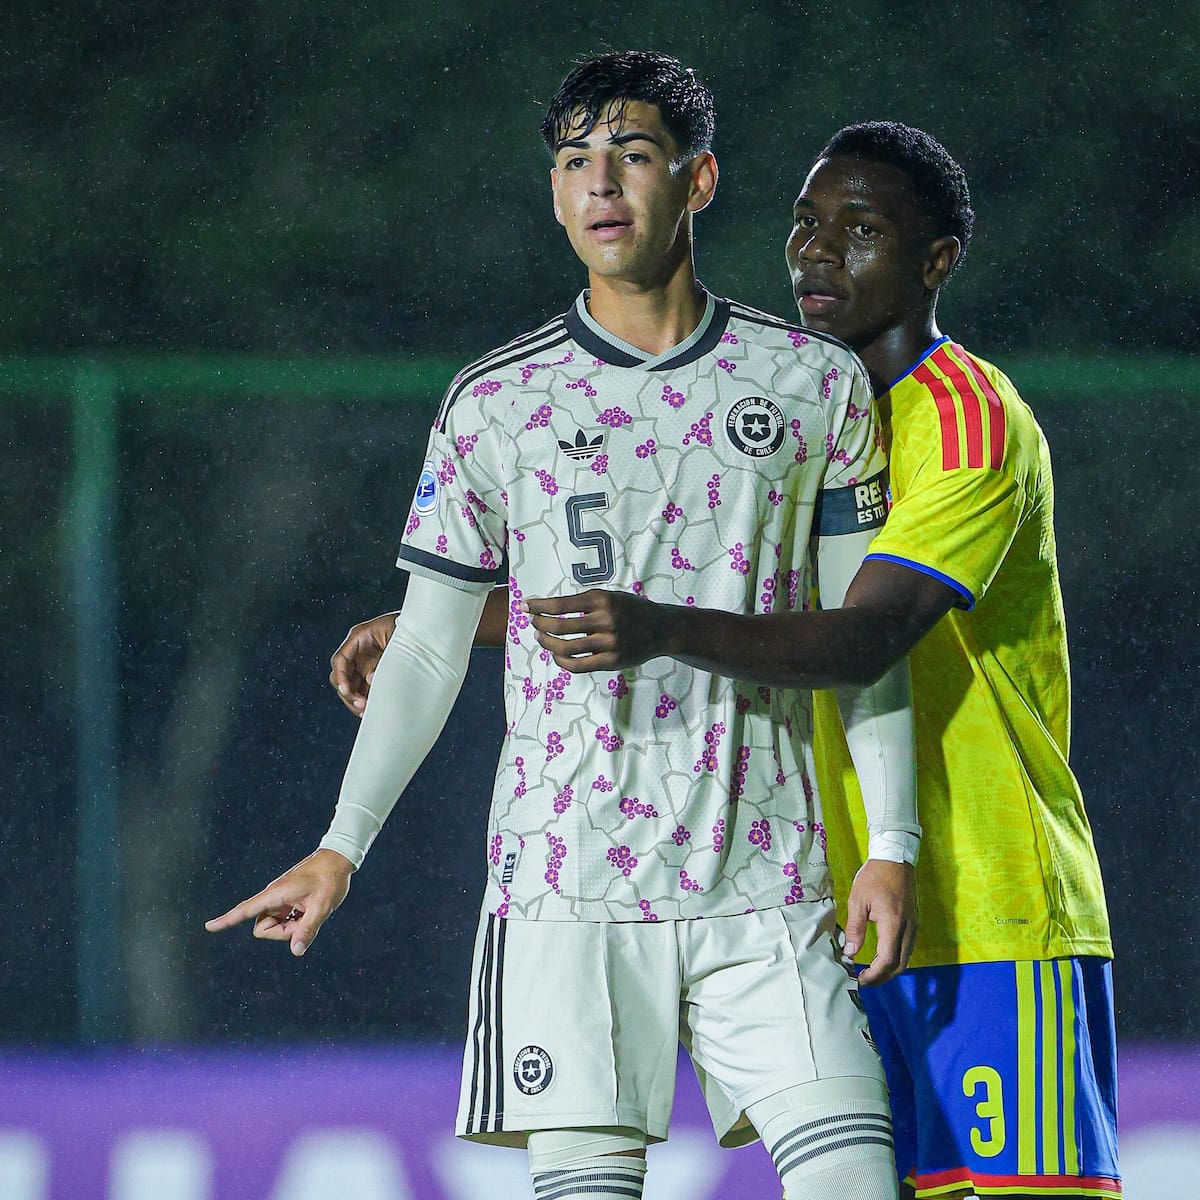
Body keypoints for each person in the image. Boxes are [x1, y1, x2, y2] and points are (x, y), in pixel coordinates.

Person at [331, 123, 1121, 1200]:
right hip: (845, 905)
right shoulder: (809, 407)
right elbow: (729, 586)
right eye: (804, 224)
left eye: (861, 230)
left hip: (983, 908)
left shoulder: (965, 422)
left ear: (936, 261)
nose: (817, 255)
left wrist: (651, 629)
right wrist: (466, 621)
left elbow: (856, 635)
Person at [209, 54, 924, 1200]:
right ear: (553, 193)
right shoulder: (496, 400)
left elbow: (859, 637)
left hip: (771, 882)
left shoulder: (807, 384)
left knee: (858, 1182)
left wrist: (890, 844)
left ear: (697, 181)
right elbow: (432, 645)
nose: (602, 185)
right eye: (576, 163)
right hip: (567, 882)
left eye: (633, 156)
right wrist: (343, 845)